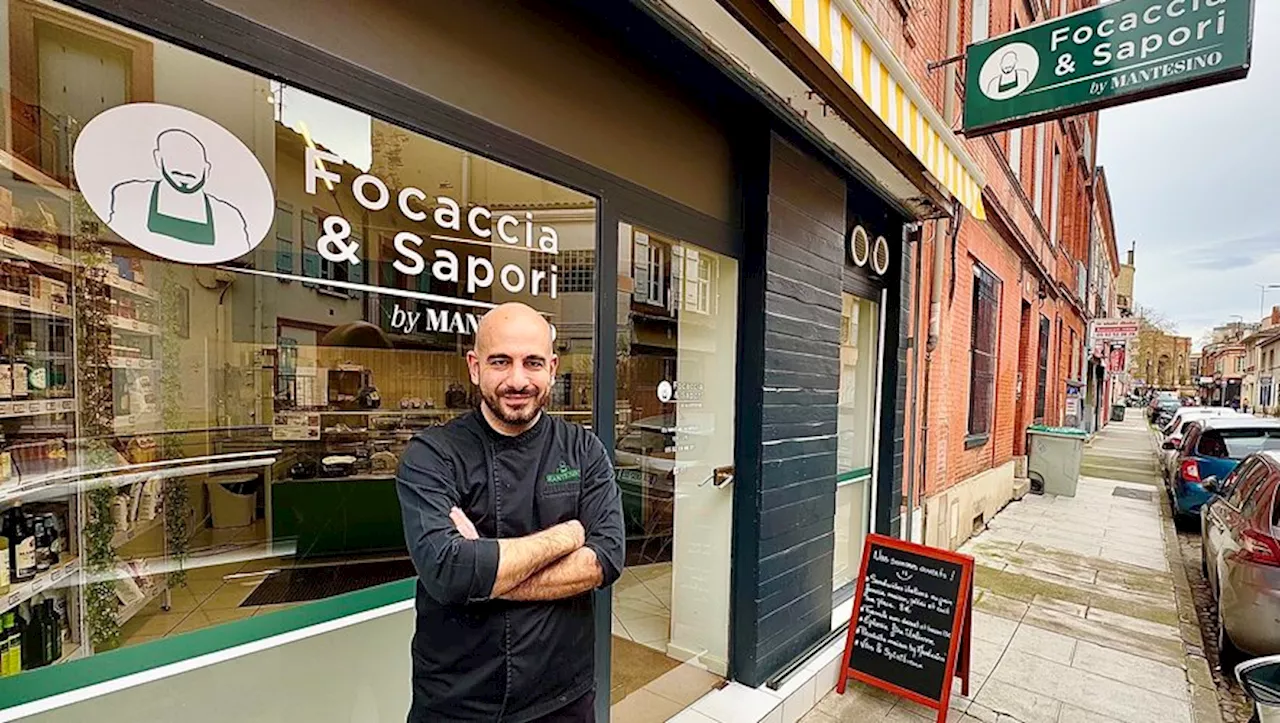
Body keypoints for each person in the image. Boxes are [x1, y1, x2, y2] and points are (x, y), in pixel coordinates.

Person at [395, 302, 624, 723]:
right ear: (475, 366)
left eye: (532, 363)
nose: (517, 380)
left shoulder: (584, 450)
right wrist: (568, 535)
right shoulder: (431, 455)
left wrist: (482, 565)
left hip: (564, 700)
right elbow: (446, 570)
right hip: (457, 704)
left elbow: (606, 558)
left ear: (552, 368)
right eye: (501, 361)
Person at [107, 129, 251, 253]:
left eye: (190, 174)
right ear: (158, 159)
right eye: (177, 172)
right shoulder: (130, 196)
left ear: (206, 169)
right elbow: (115, 243)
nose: (184, 179)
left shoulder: (228, 217)